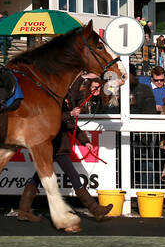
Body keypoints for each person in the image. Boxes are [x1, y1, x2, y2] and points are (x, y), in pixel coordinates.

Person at [16, 74, 113, 222]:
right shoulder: (54, 100)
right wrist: (70, 114)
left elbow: (70, 122)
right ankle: (95, 209)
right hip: (56, 144)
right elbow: (53, 119)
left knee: (39, 176)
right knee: (73, 176)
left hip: (55, 145)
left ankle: (23, 210)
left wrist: (84, 141)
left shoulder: (63, 98)